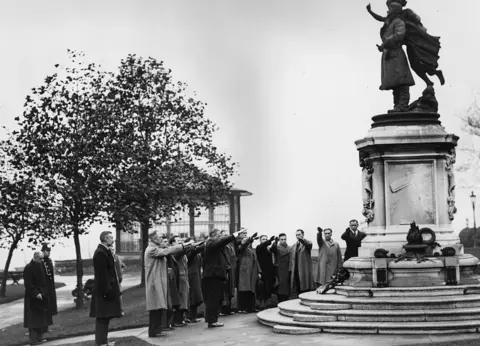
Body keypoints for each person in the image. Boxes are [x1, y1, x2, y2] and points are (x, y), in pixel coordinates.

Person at [144, 231, 192, 338]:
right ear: (153, 239)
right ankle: (153, 331)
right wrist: (183, 246)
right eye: (158, 237)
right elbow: (167, 251)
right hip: (154, 283)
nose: (160, 239)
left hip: (157, 282)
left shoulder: (155, 248)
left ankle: (157, 329)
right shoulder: (152, 249)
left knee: (158, 307)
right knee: (155, 308)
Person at [202, 228, 241, 328]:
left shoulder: (214, 245)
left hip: (216, 275)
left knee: (216, 298)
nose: (220, 238)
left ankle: (212, 320)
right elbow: (221, 243)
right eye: (219, 236)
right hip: (213, 275)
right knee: (213, 299)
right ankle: (212, 321)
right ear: (214, 235)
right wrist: (233, 236)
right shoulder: (211, 243)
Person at [89, 231, 123, 346]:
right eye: (111, 238)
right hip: (103, 292)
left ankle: (103, 341)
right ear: (105, 239)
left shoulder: (105, 251)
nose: (113, 240)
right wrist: (107, 291)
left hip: (106, 290)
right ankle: (101, 342)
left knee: (105, 318)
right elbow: (102, 275)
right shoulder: (100, 253)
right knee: (102, 319)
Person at [24, 251, 49, 345]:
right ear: (36, 257)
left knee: (40, 318)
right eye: (41, 258)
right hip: (32, 297)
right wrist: (36, 293)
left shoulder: (41, 265)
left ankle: (40, 337)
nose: (42, 260)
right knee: (32, 320)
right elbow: (28, 284)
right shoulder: (28, 268)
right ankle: (33, 340)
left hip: (42, 294)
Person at [236, 231, 261, 314]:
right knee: (244, 289)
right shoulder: (239, 245)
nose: (245, 235)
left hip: (252, 271)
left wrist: (259, 271)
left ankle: (251, 307)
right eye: (243, 234)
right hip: (244, 271)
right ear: (239, 235)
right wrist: (250, 239)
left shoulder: (251, 248)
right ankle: (243, 307)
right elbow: (243, 246)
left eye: (246, 234)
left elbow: (256, 260)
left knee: (252, 289)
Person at [170, 236, 190, 327]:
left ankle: (182, 318)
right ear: (172, 243)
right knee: (180, 298)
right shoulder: (174, 252)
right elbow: (180, 253)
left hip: (184, 277)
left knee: (184, 298)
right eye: (178, 241)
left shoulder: (180, 252)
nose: (180, 243)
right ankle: (177, 320)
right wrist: (188, 245)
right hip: (179, 278)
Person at [185, 237, 204, 323]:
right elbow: (193, 252)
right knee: (192, 296)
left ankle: (194, 316)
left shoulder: (196, 254)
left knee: (196, 296)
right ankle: (189, 316)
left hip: (196, 275)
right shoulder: (188, 253)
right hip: (191, 276)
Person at [290, 229, 314, 296]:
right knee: (298, 288)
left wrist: (302, 240)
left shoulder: (307, 243)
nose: (298, 236)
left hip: (304, 270)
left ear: (303, 234)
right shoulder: (294, 245)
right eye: (296, 235)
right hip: (296, 270)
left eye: (299, 234)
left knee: (306, 288)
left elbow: (309, 245)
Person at [255, 235, 276, 310]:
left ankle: (267, 303)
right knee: (261, 288)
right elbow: (263, 245)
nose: (265, 240)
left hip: (269, 271)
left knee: (268, 287)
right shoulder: (259, 247)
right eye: (263, 239)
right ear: (260, 240)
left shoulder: (268, 249)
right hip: (262, 271)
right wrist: (270, 240)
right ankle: (261, 304)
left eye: (266, 239)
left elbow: (273, 250)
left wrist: (275, 241)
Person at [270, 233, 291, 303]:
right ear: (279, 240)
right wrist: (275, 242)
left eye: (285, 239)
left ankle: (286, 300)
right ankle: (280, 301)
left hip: (287, 269)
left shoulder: (289, 248)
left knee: (286, 286)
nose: (283, 241)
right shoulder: (277, 247)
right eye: (281, 239)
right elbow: (272, 249)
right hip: (279, 269)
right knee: (280, 286)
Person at [41, 244, 57, 334]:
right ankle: (43, 327)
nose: (48, 253)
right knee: (45, 308)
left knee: (50, 308)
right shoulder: (41, 261)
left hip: (50, 288)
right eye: (46, 251)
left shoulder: (49, 261)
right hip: (45, 288)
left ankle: (47, 326)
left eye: (49, 251)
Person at [220, 230, 236, 316]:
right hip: (225, 270)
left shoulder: (230, 246)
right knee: (224, 290)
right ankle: (223, 309)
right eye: (224, 235)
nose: (226, 237)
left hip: (231, 270)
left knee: (230, 290)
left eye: (227, 235)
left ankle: (228, 308)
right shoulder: (222, 247)